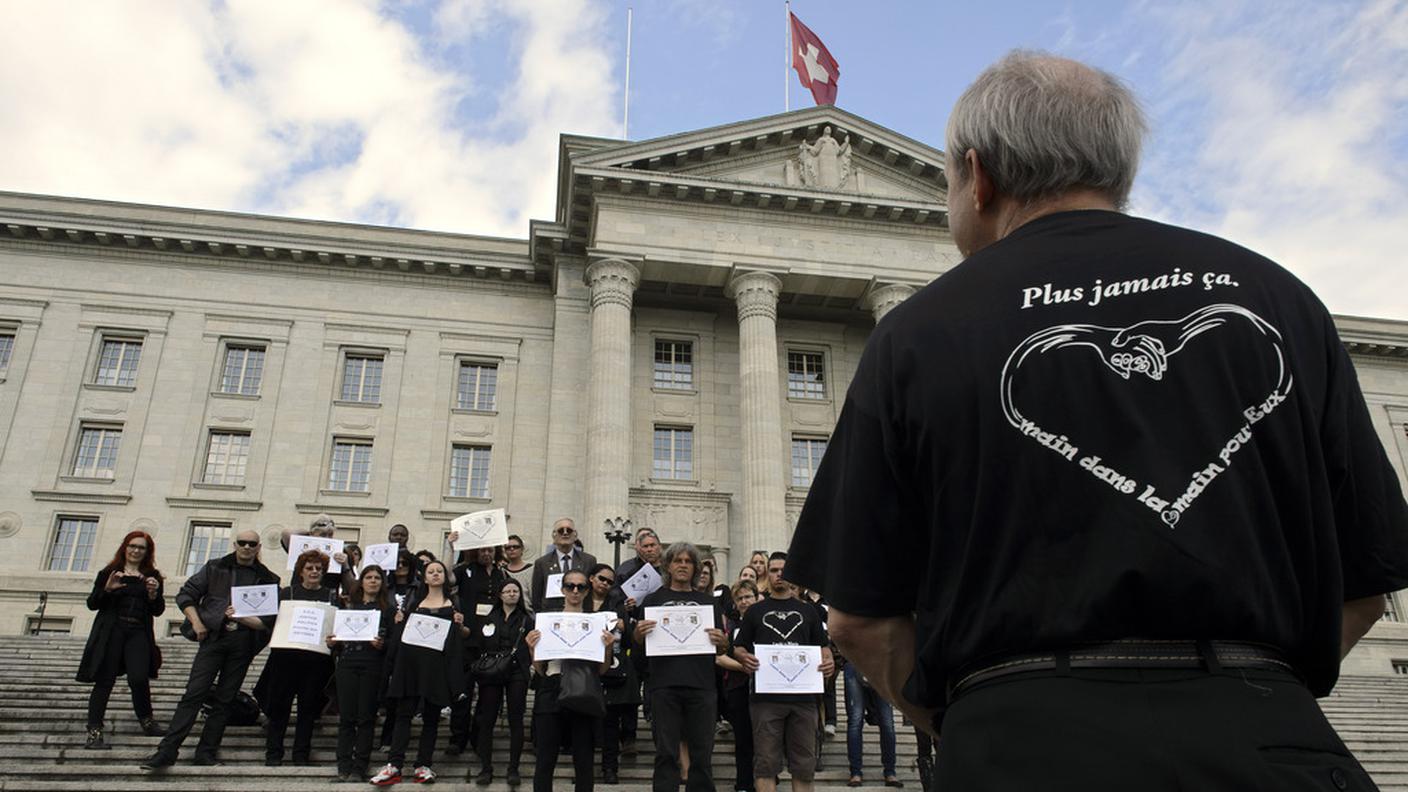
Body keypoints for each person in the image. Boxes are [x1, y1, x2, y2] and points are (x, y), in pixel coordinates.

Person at [786, 50, 1408, 791]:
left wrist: (979, 717)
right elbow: (1366, 581)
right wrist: (1258, 692)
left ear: (978, 178)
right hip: (1272, 741)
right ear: (1117, 174)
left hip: (1020, 746)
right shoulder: (1279, 298)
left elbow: (860, 624)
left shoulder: (918, 331)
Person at [140, 529, 279, 770]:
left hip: (243, 642)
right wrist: (197, 622)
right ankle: (167, 751)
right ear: (235, 544)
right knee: (194, 693)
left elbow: (267, 621)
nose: (247, 547)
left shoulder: (268, 578)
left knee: (225, 700)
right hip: (214, 637)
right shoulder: (215, 567)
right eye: (242, 543)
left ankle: (206, 752)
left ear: (258, 548)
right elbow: (186, 595)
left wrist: (243, 619)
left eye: (252, 544)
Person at [732, 552, 834, 792]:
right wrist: (743, 657)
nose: (779, 575)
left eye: (783, 570)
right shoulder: (756, 611)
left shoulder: (809, 611)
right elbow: (738, 646)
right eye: (774, 570)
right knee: (766, 765)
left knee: (804, 767)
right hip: (765, 700)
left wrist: (827, 662)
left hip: (804, 700)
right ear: (767, 574)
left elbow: (823, 648)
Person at [633, 542, 729, 792]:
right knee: (666, 752)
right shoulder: (653, 601)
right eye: (678, 561)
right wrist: (638, 634)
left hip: (702, 686)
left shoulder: (709, 604)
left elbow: (720, 648)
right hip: (664, 686)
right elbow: (640, 650)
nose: (683, 565)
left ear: (696, 568)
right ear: (668, 566)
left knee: (702, 753)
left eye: (688, 562)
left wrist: (723, 642)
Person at [372, 559, 469, 785]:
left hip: (437, 669)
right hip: (411, 667)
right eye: (430, 571)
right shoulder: (414, 603)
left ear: (445, 577)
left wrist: (460, 624)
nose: (435, 574)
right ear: (424, 577)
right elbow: (401, 636)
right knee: (403, 715)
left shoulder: (454, 604)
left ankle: (423, 765)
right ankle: (394, 764)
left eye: (439, 571)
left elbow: (460, 637)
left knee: (431, 719)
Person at [526, 568, 614, 792]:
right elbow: (540, 669)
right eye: (570, 586)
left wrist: (608, 647)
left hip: (583, 689)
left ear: (587, 590)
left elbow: (602, 669)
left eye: (581, 587)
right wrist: (532, 648)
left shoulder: (596, 623)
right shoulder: (547, 621)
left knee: (584, 761)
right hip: (552, 687)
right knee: (545, 760)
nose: (575, 591)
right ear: (562, 589)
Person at [78, 530, 166, 749]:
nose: (136, 551)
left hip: (137, 631)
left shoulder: (152, 576)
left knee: (138, 677)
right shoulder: (109, 572)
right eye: (132, 546)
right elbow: (92, 603)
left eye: (141, 547)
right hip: (112, 630)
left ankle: (147, 721)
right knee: (104, 680)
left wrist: (154, 595)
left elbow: (158, 610)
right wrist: (107, 590)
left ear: (147, 552)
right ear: (125, 547)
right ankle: (94, 732)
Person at [262, 549, 337, 766]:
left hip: (315, 663)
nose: (314, 572)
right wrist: (239, 616)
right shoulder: (287, 594)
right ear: (301, 571)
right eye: (309, 568)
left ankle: (301, 755)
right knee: (279, 708)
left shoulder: (331, 596)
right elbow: (268, 623)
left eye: (319, 569)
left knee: (308, 710)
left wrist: (334, 640)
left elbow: (334, 629)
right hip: (284, 660)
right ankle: (274, 754)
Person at [331, 564, 396, 782]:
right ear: (362, 581)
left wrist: (382, 644)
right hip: (347, 664)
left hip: (372, 665)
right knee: (347, 718)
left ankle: (360, 766)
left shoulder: (388, 609)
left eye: (377, 577)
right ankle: (343, 764)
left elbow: (393, 643)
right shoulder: (349, 606)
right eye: (369, 577)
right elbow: (339, 640)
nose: (373, 581)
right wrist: (333, 642)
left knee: (366, 718)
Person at [472, 578, 533, 787]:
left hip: (517, 671)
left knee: (516, 718)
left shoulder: (527, 619)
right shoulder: (490, 617)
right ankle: (485, 767)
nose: (512, 594)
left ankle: (513, 767)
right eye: (507, 591)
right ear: (500, 595)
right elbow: (480, 642)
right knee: (487, 719)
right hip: (492, 670)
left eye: (515, 591)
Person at [449, 545, 508, 755]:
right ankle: (458, 737)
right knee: (463, 692)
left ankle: (479, 737)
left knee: (487, 696)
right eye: (482, 551)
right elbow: (447, 581)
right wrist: (451, 548)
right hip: (468, 639)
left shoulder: (502, 573)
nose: (486, 554)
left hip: (491, 642)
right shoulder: (465, 570)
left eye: (490, 551)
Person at [610, 527, 661, 755]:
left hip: (659, 635)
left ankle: (658, 732)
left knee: (656, 685)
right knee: (631, 688)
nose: (650, 549)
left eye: (653, 545)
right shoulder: (625, 570)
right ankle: (628, 736)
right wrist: (625, 606)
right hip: (633, 636)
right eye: (646, 546)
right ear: (638, 548)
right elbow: (613, 600)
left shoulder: (666, 570)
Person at [585, 563, 632, 785]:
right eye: (601, 579)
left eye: (609, 581)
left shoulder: (617, 605)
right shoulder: (580, 602)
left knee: (611, 723)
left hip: (611, 667)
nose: (605, 583)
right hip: (584, 668)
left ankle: (610, 767)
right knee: (584, 723)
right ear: (591, 578)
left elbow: (630, 642)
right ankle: (583, 769)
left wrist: (624, 627)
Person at [718, 580, 760, 792]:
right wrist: (742, 666)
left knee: (764, 739)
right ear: (735, 602)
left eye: (748, 597)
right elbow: (718, 658)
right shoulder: (731, 627)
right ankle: (744, 783)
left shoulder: (765, 623)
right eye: (740, 598)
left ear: (756, 597)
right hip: (738, 688)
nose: (744, 601)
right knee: (743, 739)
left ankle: (766, 778)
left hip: (764, 690)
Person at [840, 653, 900, 787]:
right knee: (855, 721)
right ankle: (855, 772)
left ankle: (890, 771)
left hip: (881, 665)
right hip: (855, 662)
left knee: (887, 722)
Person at [530, 518, 597, 612]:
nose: (565, 533)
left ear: (575, 535)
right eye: (561, 530)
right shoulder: (542, 563)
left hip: (580, 614)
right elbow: (536, 596)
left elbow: (591, 592)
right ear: (554, 535)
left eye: (569, 530)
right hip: (551, 614)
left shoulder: (589, 561)